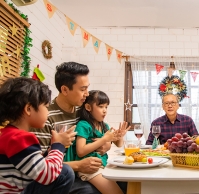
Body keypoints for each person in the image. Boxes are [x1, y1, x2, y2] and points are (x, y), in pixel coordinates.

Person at [30, 62, 127, 194]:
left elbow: (98, 135)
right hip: (61, 176)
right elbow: (37, 166)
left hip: (85, 169)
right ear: (64, 90)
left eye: (87, 88)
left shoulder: (83, 112)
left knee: (126, 181)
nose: (87, 94)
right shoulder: (45, 117)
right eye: (82, 89)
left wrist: (107, 144)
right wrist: (78, 165)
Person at [0, 77, 76, 193]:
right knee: (65, 172)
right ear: (28, 109)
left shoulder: (8, 134)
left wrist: (51, 150)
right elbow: (48, 175)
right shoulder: (19, 138)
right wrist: (59, 146)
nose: (48, 112)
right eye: (46, 107)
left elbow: (33, 166)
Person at [65, 90, 129, 194]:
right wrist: (104, 139)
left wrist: (120, 136)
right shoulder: (84, 125)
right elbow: (80, 151)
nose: (105, 110)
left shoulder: (104, 126)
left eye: (106, 107)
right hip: (89, 169)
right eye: (101, 106)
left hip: (102, 165)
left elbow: (119, 144)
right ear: (88, 107)